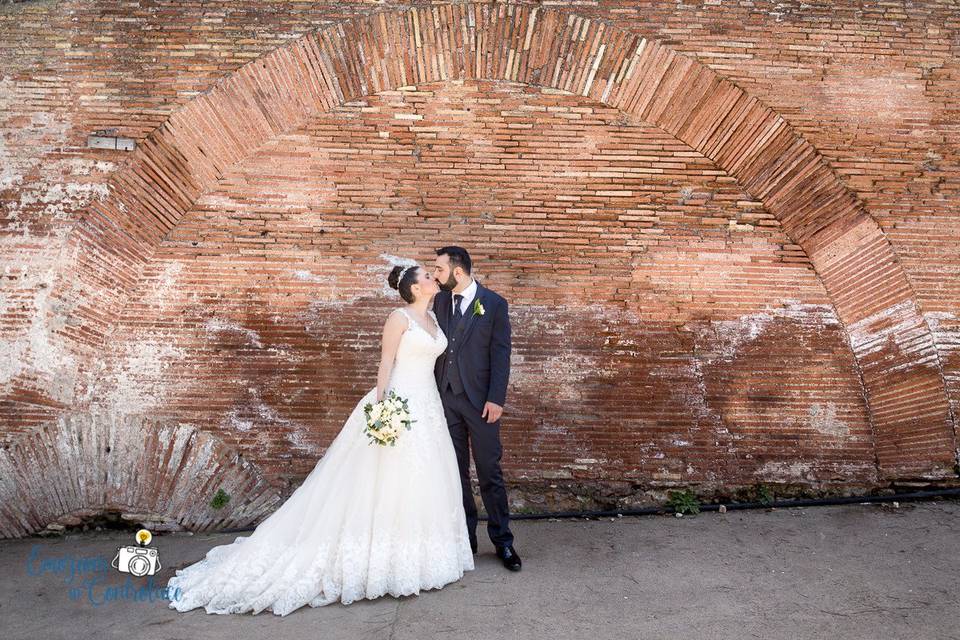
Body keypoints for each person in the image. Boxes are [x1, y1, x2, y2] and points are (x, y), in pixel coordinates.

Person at [165, 263, 474, 616]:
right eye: (427, 276)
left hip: (428, 405)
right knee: (387, 479)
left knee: (422, 479)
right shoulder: (398, 318)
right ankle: (375, 559)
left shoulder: (434, 319)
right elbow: (385, 364)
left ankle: (418, 555)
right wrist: (381, 409)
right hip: (399, 401)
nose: (434, 278)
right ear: (415, 288)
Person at [433, 246, 521, 571]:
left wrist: (496, 398)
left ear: (458, 272)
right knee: (455, 473)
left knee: (489, 472)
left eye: (439, 269)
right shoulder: (441, 301)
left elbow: (501, 354)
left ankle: (503, 542)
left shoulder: (494, 304)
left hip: (483, 403)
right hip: (447, 398)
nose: (435, 275)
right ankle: (465, 539)